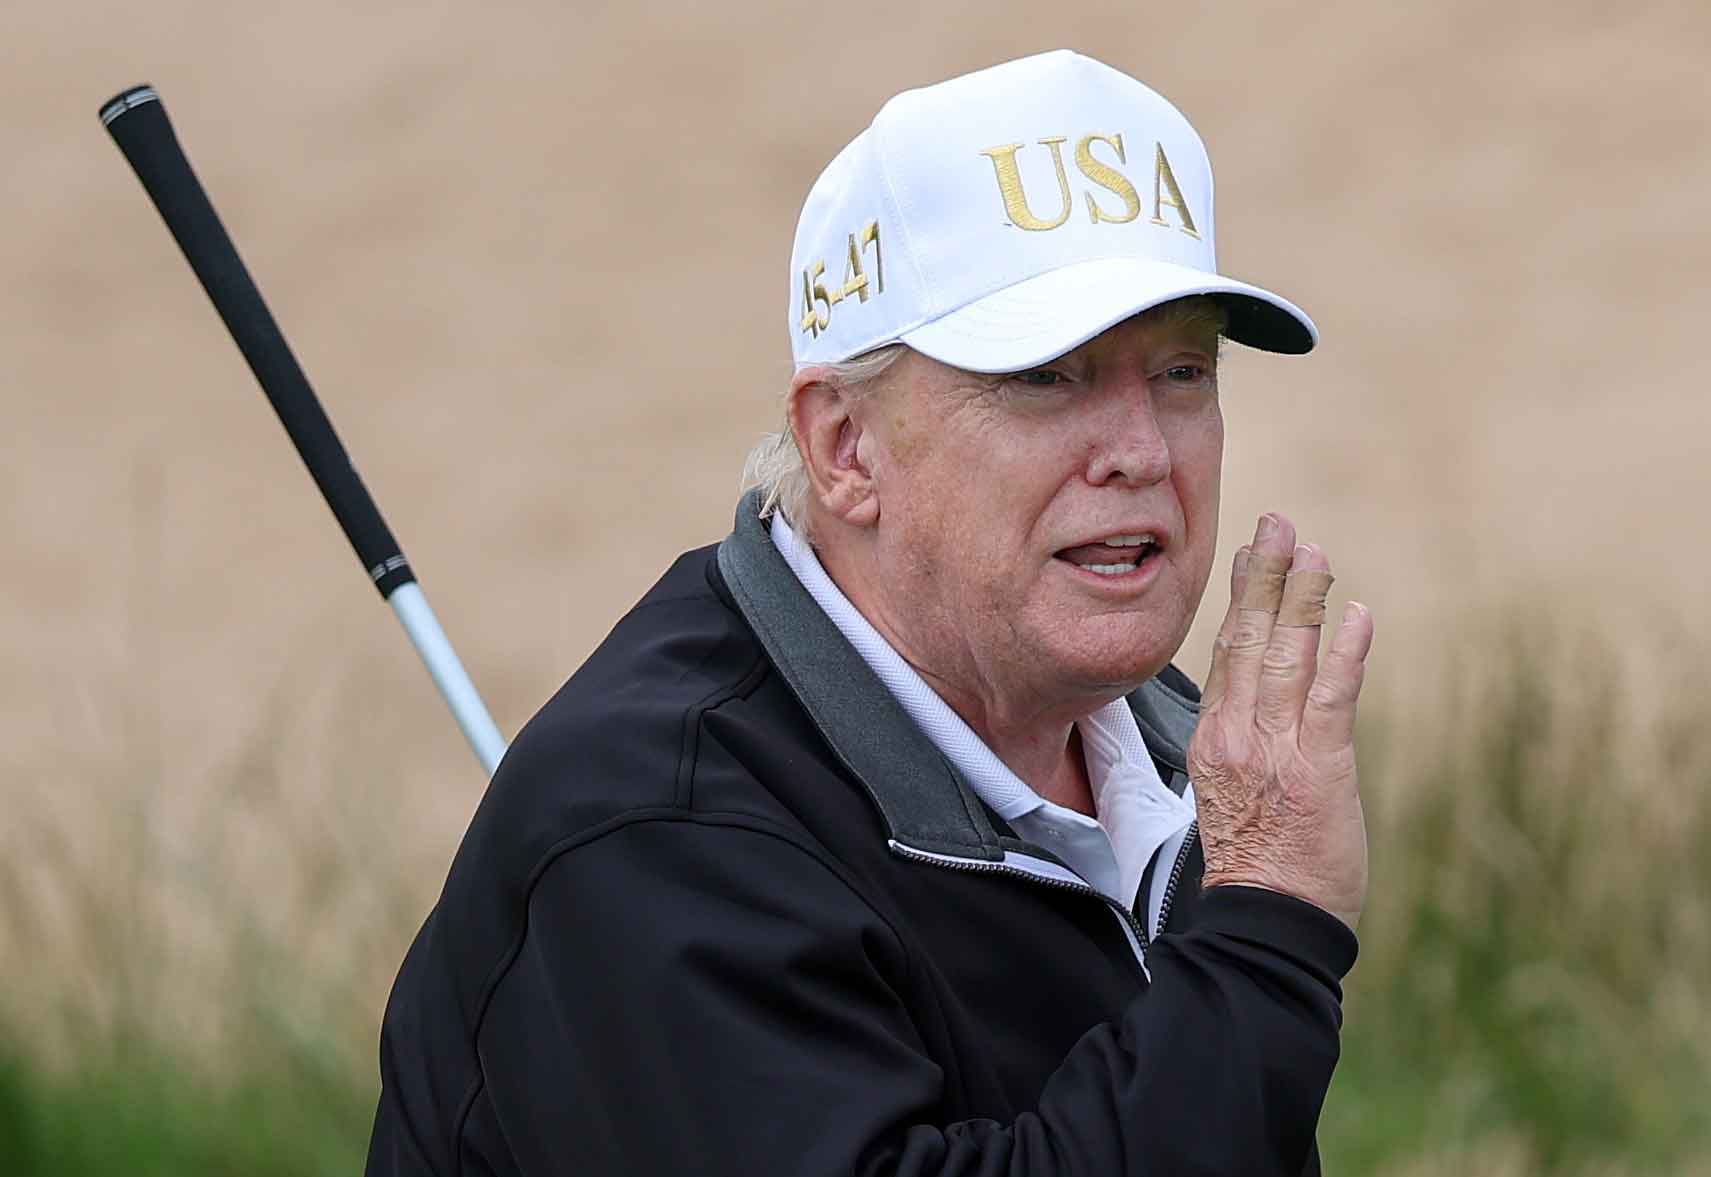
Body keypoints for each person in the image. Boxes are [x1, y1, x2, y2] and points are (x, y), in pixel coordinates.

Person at [365, 49, 1374, 1176]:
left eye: (1181, 372)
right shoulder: (659, 835)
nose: (1139, 451)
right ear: (845, 447)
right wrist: (1262, 931)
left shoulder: (1160, 741)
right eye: (1045, 378)